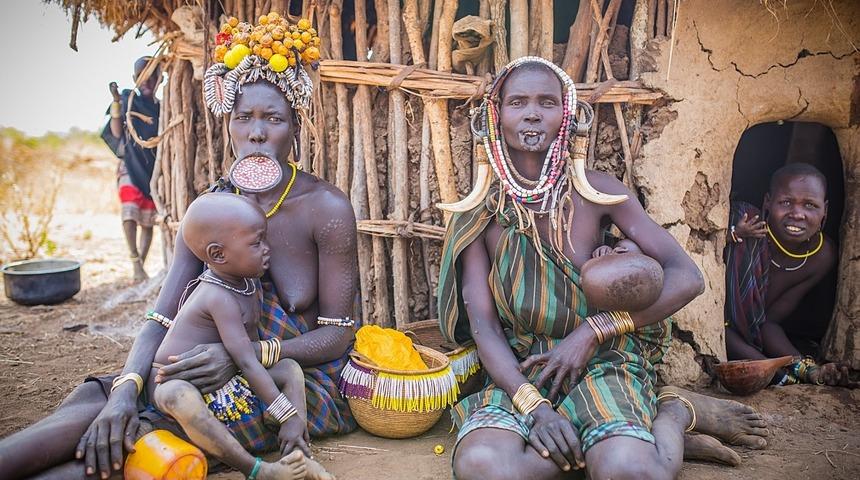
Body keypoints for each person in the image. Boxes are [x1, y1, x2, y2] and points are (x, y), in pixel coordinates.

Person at [0, 13, 357, 479]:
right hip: (198, 372)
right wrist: (127, 386)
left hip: (289, 381)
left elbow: (339, 334)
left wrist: (239, 355)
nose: (256, 132)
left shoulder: (325, 207)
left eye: (274, 118)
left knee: (142, 438)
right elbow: (163, 316)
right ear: (227, 124)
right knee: (103, 402)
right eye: (242, 117)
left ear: (295, 127)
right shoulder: (211, 209)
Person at [437, 57, 768, 480]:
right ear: (495, 115)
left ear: (568, 115)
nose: (533, 112)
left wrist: (592, 331)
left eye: (547, 102)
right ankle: (607, 437)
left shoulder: (598, 194)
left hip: (605, 360)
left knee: (631, 472)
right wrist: (535, 407)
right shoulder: (481, 214)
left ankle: (669, 414)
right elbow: (484, 325)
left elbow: (687, 278)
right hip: (525, 370)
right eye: (517, 102)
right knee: (482, 468)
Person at [142, 192, 334, 480]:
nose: (267, 249)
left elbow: (247, 356)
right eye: (257, 243)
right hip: (176, 379)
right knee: (179, 397)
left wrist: (289, 415)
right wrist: (287, 411)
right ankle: (257, 469)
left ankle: (296, 451)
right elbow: (246, 362)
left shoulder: (245, 281)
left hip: (224, 376)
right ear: (219, 255)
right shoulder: (218, 297)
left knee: (290, 368)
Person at [724, 163, 852, 386]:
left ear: (825, 211)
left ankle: (784, 374)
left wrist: (806, 368)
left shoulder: (822, 256)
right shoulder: (747, 227)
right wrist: (733, 235)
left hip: (755, 337)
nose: (797, 214)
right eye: (786, 202)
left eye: (810, 205)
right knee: (723, 328)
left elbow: (768, 323)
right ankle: (775, 376)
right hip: (722, 329)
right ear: (767, 202)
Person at [105, 56, 161, 282]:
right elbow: (117, 132)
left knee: (147, 220)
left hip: (152, 170)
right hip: (130, 164)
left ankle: (141, 266)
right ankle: (134, 261)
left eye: (151, 77)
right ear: (134, 79)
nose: (145, 82)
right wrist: (117, 102)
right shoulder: (128, 100)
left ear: (161, 78)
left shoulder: (163, 107)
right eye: (141, 77)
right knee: (129, 212)